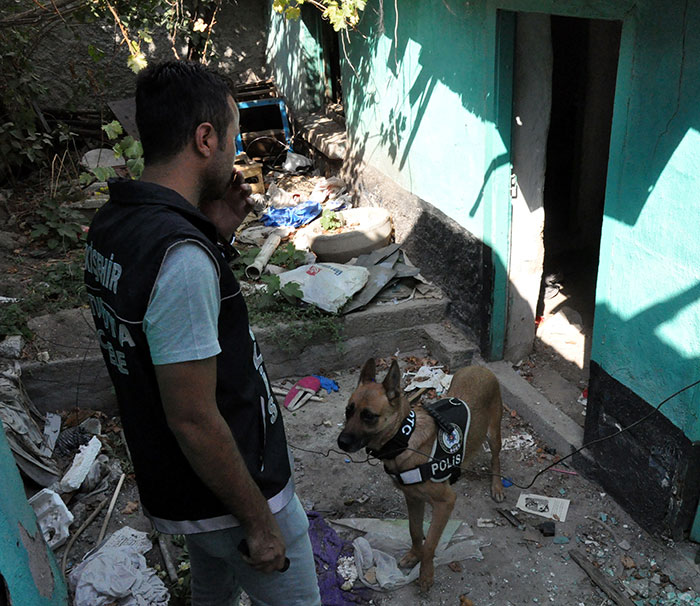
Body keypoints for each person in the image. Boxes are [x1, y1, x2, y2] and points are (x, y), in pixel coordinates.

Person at [84, 60, 321, 606]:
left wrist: (214, 234)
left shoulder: (116, 224)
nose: (238, 152)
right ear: (205, 137)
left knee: (213, 593)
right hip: (232, 495)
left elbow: (152, 331)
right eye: (234, 136)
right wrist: (261, 524)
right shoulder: (181, 255)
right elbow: (192, 416)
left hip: (182, 493)